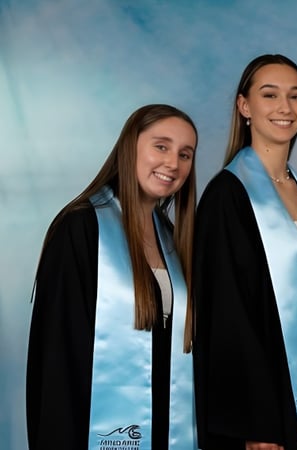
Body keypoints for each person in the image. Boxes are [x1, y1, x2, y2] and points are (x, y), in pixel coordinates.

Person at [26, 104, 198, 450]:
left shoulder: (169, 237)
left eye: (185, 154)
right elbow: (57, 358)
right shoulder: (82, 228)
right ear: (129, 147)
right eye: (161, 146)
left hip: (165, 429)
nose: (173, 163)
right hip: (93, 430)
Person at [192, 54, 297, 450]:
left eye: (295, 96)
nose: (285, 108)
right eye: (269, 95)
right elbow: (227, 317)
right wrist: (256, 425)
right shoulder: (227, 196)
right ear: (244, 106)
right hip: (265, 413)